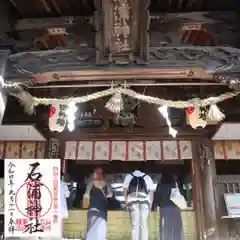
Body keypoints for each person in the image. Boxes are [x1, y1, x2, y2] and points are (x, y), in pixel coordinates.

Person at [123, 166, 155, 240]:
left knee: (135, 225)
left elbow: (125, 192)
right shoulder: (147, 177)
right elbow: (151, 194)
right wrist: (150, 206)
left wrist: (127, 203)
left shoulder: (129, 176)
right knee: (144, 225)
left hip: (133, 202)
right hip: (144, 202)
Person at [83, 168, 113, 240]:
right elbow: (110, 194)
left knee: (91, 225)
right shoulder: (106, 183)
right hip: (103, 209)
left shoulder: (91, 183)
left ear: (95, 174)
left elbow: (86, 195)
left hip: (93, 207)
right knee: (101, 227)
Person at [153, 172, 184, 240]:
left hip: (164, 209)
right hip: (175, 209)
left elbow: (157, 199)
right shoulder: (175, 185)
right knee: (176, 226)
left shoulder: (160, 186)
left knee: (165, 227)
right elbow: (181, 195)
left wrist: (155, 206)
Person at [60, 171, 70, 238]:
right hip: (61, 207)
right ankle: (60, 236)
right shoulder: (63, 184)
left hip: (52, 207)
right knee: (61, 223)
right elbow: (67, 195)